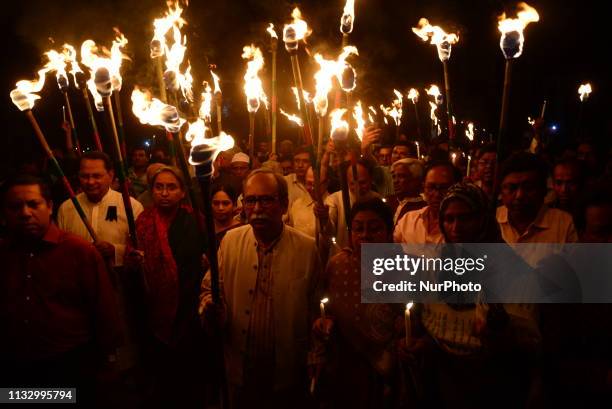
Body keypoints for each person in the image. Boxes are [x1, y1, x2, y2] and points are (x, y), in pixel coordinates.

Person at [398, 182, 540, 409]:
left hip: (493, 381)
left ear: (482, 219)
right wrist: (420, 343)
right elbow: (428, 318)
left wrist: (501, 334)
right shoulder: (435, 265)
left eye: (465, 218)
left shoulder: (510, 268)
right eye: (449, 219)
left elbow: (529, 340)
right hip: (442, 377)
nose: (456, 227)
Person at [200, 169, 321, 408]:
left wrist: (315, 354)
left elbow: (315, 307)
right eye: (251, 200)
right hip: (239, 368)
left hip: (286, 371)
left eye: (266, 200)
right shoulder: (231, 241)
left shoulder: (306, 249)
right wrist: (211, 307)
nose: (257, 208)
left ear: (284, 205)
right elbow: (210, 289)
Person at [0, 175, 123, 405]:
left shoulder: (79, 252)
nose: (25, 213)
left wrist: (107, 363)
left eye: (33, 204)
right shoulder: (4, 254)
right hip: (16, 367)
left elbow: (105, 312)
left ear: (49, 206)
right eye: (15, 206)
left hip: (70, 366)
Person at [125, 166, 207, 408]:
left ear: (182, 192)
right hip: (151, 306)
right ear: (151, 191)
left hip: (188, 307)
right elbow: (132, 256)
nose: (164, 192)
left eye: (171, 187)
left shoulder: (195, 220)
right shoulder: (142, 220)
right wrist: (133, 260)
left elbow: (206, 260)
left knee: (186, 374)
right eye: (159, 187)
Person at [311, 199, 404, 408]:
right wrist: (322, 322)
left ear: (389, 231)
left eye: (374, 229)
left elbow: (414, 319)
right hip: (345, 365)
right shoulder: (338, 265)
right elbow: (327, 308)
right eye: (358, 229)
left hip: (389, 368)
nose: (365, 236)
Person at [57, 151, 144, 267]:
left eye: (97, 176)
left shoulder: (131, 206)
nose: (90, 182)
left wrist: (115, 251)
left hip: (120, 278)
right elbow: (60, 249)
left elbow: (142, 251)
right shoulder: (67, 207)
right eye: (85, 176)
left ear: (111, 175)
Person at [496, 152, 577, 265]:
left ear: (543, 190)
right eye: (512, 188)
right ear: (501, 192)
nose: (519, 195)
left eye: (528, 188)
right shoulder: (492, 220)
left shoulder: (564, 224)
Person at [317, 158, 381, 252]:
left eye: (362, 182)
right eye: (352, 183)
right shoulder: (334, 200)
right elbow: (328, 235)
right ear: (346, 182)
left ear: (371, 179)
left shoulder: (377, 200)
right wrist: (325, 219)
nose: (357, 187)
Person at [394, 161, 458, 245]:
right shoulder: (408, 220)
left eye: (443, 188)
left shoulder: (457, 229)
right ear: (424, 188)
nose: (436, 194)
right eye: (431, 187)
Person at [288, 166, 327, 239]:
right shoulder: (297, 205)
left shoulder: (333, 203)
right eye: (309, 183)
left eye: (316, 184)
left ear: (327, 183)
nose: (313, 188)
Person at [387, 158, 426, 225]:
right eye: (394, 177)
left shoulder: (422, 209)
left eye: (401, 176)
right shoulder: (389, 202)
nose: (395, 181)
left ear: (416, 180)